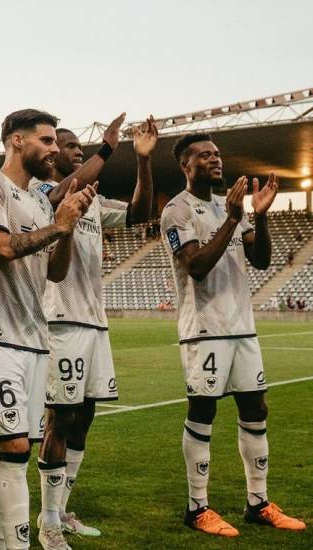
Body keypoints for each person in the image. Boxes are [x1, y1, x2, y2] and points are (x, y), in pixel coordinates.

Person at [0, 108, 94, 550]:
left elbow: (55, 273)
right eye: (47, 141)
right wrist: (58, 224)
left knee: (16, 451)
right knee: (16, 446)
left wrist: (67, 227)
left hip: (34, 338)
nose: (55, 150)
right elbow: (0, 247)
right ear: (17, 141)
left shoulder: (40, 200)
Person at [161, 133, 306, 537]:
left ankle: (257, 503)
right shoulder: (177, 211)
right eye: (204, 155)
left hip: (242, 327)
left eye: (216, 153)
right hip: (204, 330)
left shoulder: (235, 210)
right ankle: (197, 507)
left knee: (256, 409)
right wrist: (230, 218)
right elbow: (197, 267)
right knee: (203, 413)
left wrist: (257, 216)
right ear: (185, 166)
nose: (215, 159)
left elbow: (260, 261)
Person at [36, 115, 156, 543]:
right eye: (67, 146)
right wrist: (107, 148)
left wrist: (142, 162)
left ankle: (61, 510)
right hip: (59, 321)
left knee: (83, 418)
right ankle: (48, 524)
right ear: (51, 156)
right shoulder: (39, 194)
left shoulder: (90, 200)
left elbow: (141, 214)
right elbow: (55, 196)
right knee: (60, 418)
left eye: (77, 147)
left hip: (94, 323)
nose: (75, 150)